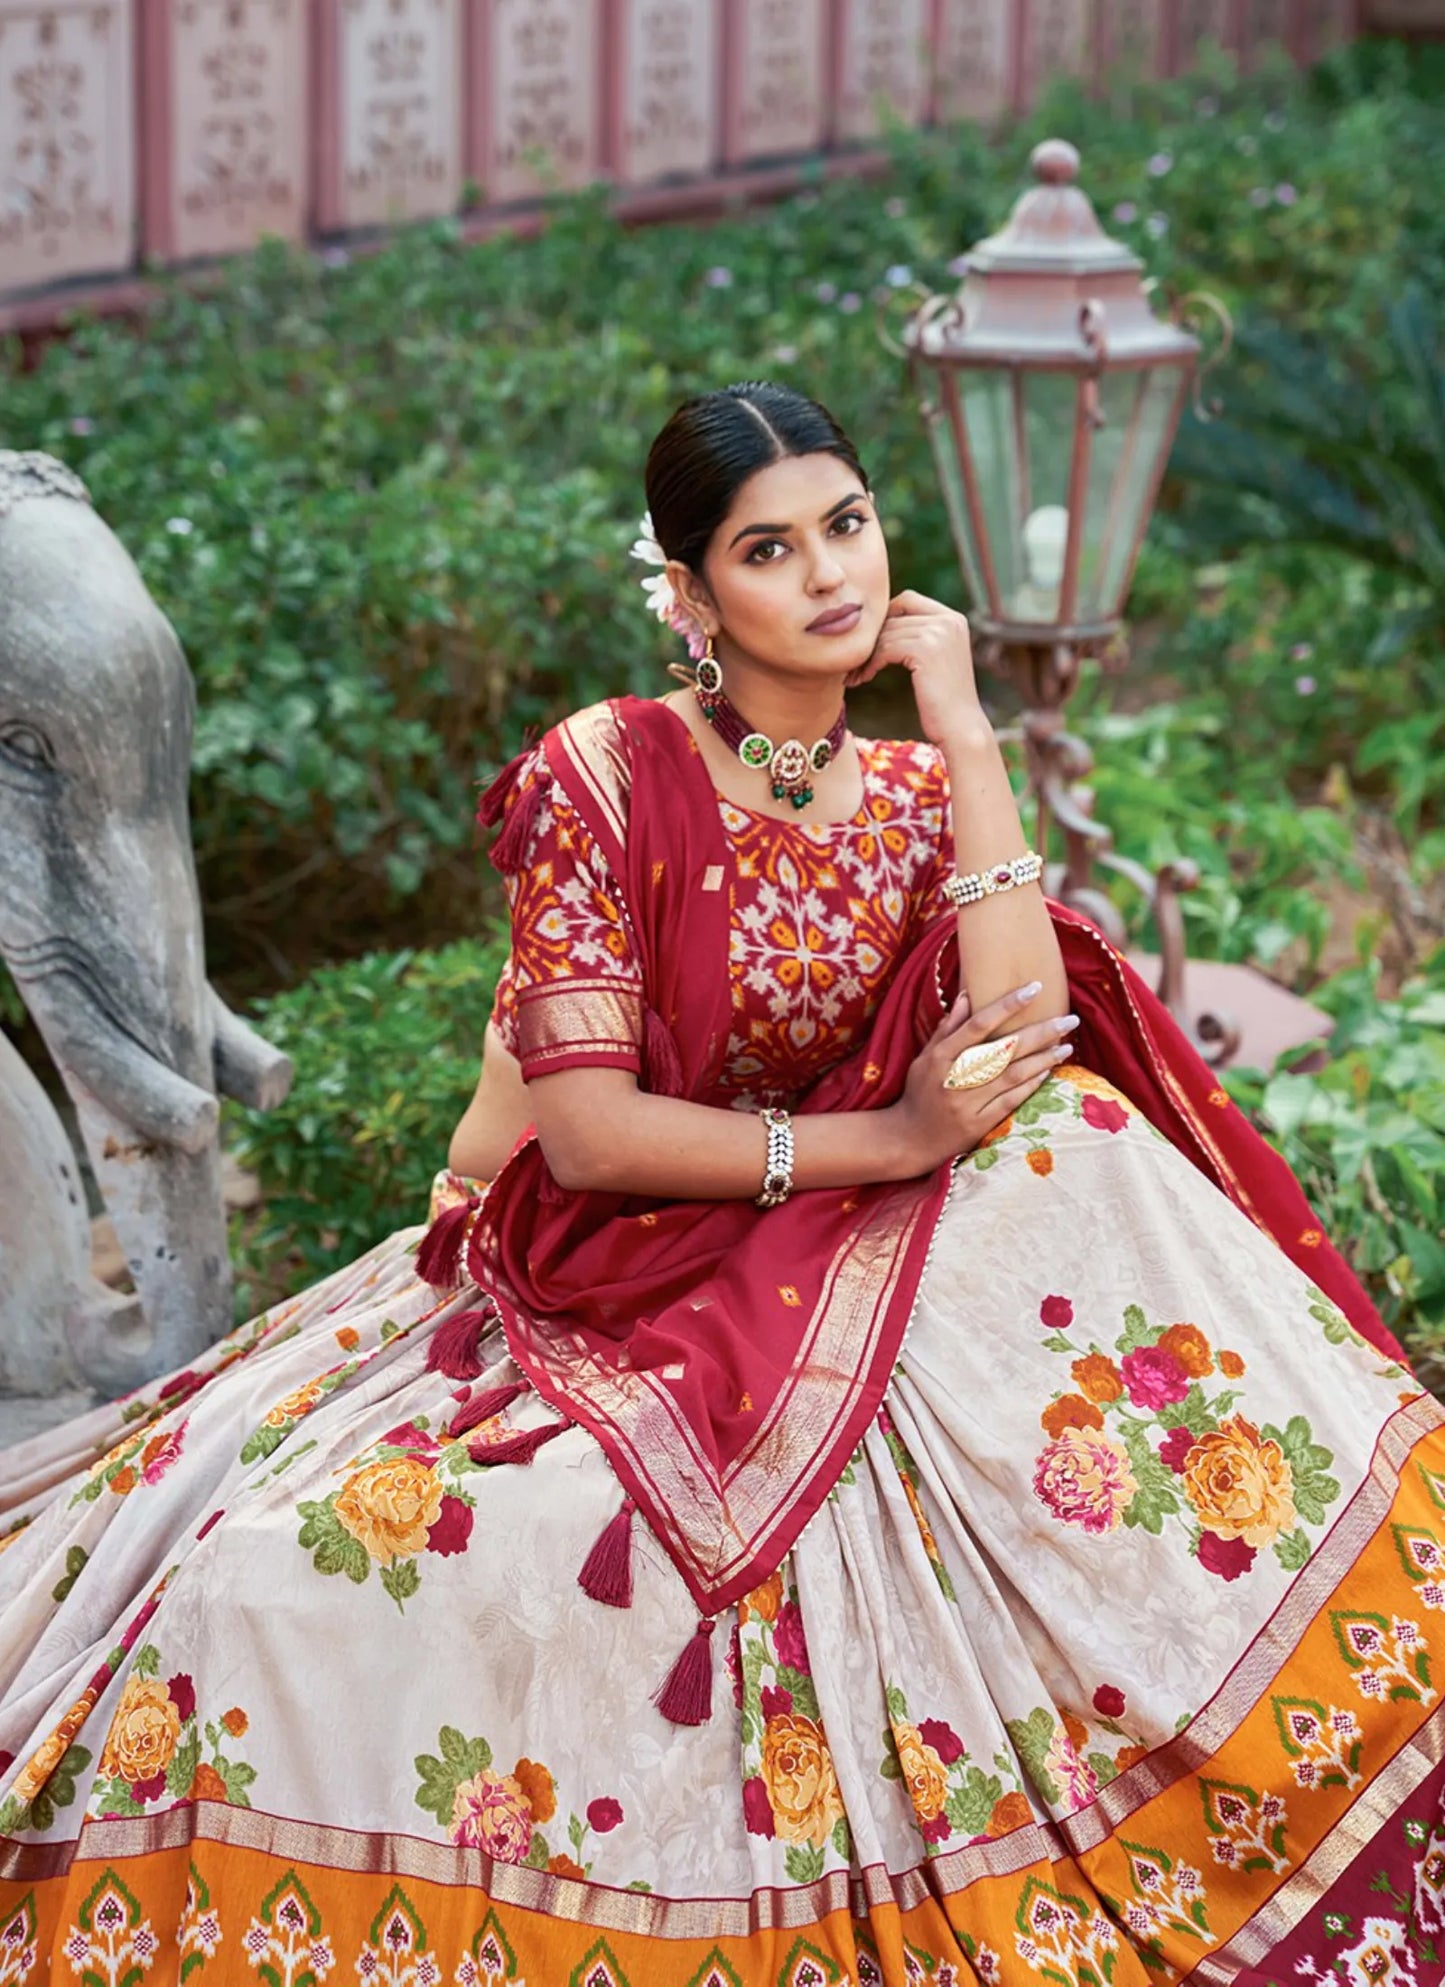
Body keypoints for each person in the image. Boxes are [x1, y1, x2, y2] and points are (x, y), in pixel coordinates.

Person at [0, 383, 1434, 1987]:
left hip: (811, 1250)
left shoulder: (901, 793)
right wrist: (881, 1145)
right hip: (590, 1251)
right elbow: (594, 1136)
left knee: (1073, 1140)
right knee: (292, 1575)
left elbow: (1021, 1029)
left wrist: (961, 728)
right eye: (767, 547)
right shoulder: (605, 773)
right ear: (690, 597)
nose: (825, 573)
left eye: (847, 525)